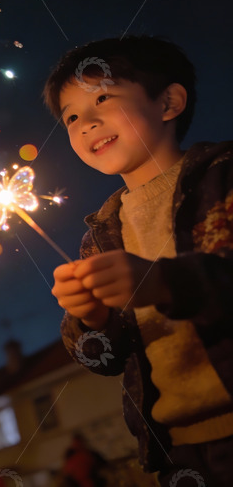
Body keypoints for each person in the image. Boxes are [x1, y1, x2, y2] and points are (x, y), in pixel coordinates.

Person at [45, 36, 233, 485]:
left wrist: (165, 282)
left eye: (103, 99)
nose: (86, 123)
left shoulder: (222, 179)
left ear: (168, 102)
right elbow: (105, 361)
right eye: (71, 117)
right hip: (176, 447)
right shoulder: (103, 233)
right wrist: (89, 321)